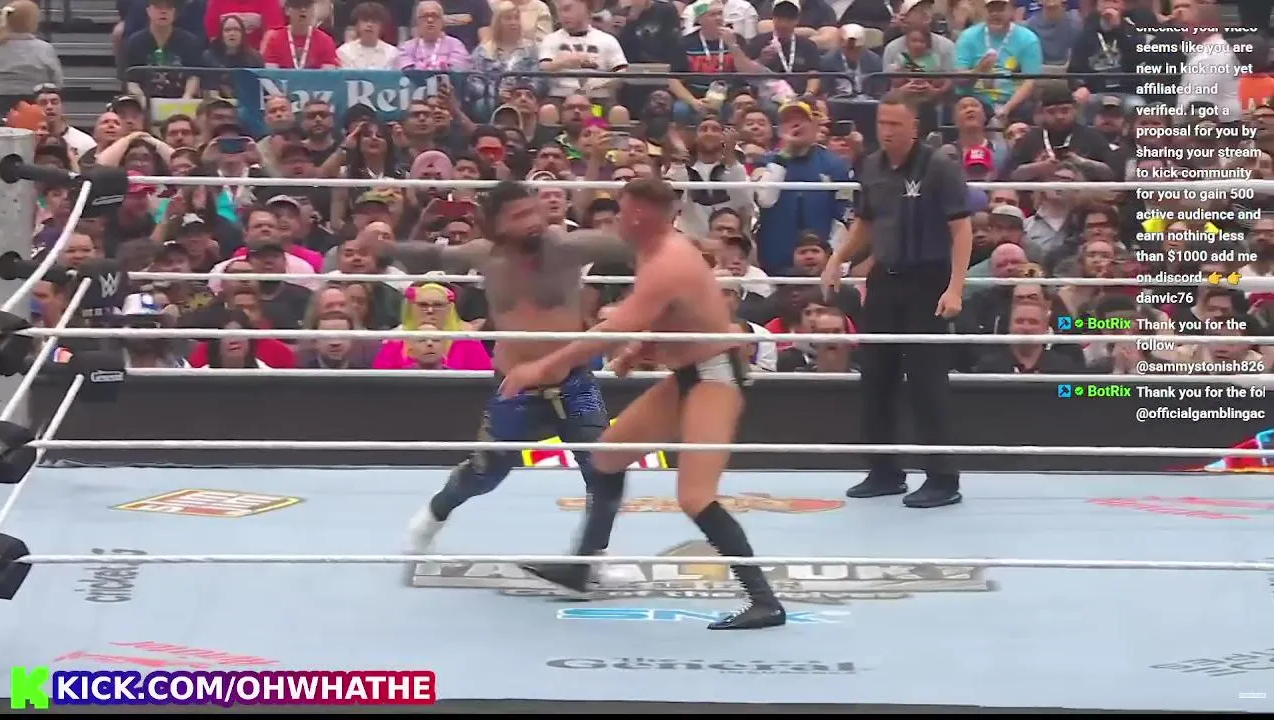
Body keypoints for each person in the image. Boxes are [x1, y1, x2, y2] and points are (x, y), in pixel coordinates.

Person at [499, 178, 787, 631]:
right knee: (606, 457)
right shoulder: (654, 251)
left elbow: (614, 329)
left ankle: (764, 601)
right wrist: (641, 349)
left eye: (622, 210)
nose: (616, 219)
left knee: (695, 496)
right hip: (688, 374)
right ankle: (581, 567)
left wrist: (539, 369)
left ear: (639, 215)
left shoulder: (668, 261)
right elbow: (681, 315)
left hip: (715, 377)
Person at [394, 181, 633, 588]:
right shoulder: (486, 256)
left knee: (606, 469)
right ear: (497, 226)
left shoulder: (567, 248)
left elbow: (623, 244)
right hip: (516, 390)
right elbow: (435, 256)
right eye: (519, 216)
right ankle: (432, 517)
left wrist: (681, 244)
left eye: (534, 210)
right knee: (484, 474)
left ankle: (589, 558)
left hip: (574, 383)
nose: (533, 221)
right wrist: (385, 247)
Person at [821, 90, 972, 509]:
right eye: (882, 123)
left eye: (895, 125)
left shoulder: (938, 166)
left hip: (928, 280)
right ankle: (884, 471)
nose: (886, 132)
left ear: (914, 127)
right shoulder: (871, 165)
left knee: (926, 381)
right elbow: (866, 223)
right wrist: (837, 258)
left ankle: (942, 478)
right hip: (885, 279)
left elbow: (961, 229)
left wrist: (955, 287)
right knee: (876, 376)